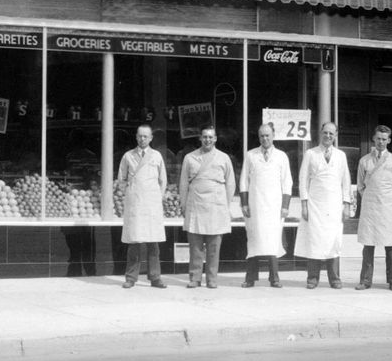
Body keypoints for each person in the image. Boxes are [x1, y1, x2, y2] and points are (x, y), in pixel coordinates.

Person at [295, 121, 353, 289]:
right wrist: (304, 205)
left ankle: (335, 278)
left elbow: (346, 181)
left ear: (335, 135)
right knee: (315, 242)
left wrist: (346, 204)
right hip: (315, 205)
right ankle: (312, 278)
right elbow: (303, 180)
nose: (328, 136)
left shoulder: (341, 155)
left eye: (331, 133)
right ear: (320, 133)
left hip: (334, 206)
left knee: (333, 242)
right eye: (325, 132)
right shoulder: (310, 154)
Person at [178, 125, 237, 289]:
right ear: (200, 138)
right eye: (204, 137)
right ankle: (195, 278)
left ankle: (212, 279)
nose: (207, 140)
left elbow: (231, 183)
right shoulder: (190, 158)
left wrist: (225, 204)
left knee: (213, 246)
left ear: (216, 139)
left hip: (216, 205)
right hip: (196, 203)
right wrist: (183, 204)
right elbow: (183, 183)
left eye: (210, 137)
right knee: (195, 246)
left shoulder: (224, 158)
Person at [240, 123, 293, 287]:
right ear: (258, 137)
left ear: (273, 135)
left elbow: (287, 182)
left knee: (273, 241)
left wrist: (285, 206)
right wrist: (244, 204)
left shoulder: (282, 156)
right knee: (254, 241)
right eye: (262, 136)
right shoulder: (251, 155)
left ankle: (274, 278)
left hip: (274, 207)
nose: (264, 138)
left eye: (267, 135)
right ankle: (250, 279)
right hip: (255, 205)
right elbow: (243, 181)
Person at [117, 124, 167, 289]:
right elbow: (121, 179)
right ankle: (131, 277)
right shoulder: (128, 156)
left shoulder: (157, 156)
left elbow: (163, 180)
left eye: (146, 136)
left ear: (151, 138)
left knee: (153, 243)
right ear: (136, 137)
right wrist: (131, 192)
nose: (142, 139)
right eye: (140, 136)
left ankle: (155, 277)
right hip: (136, 203)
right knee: (134, 242)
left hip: (151, 203)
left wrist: (157, 197)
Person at [356, 124, 392, 290]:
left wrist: (388, 202)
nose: (381, 142)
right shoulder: (364, 160)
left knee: (390, 244)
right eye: (378, 139)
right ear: (373, 139)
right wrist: (371, 198)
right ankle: (365, 281)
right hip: (370, 206)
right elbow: (360, 186)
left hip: (387, 207)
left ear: (389, 140)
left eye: (384, 139)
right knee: (368, 244)